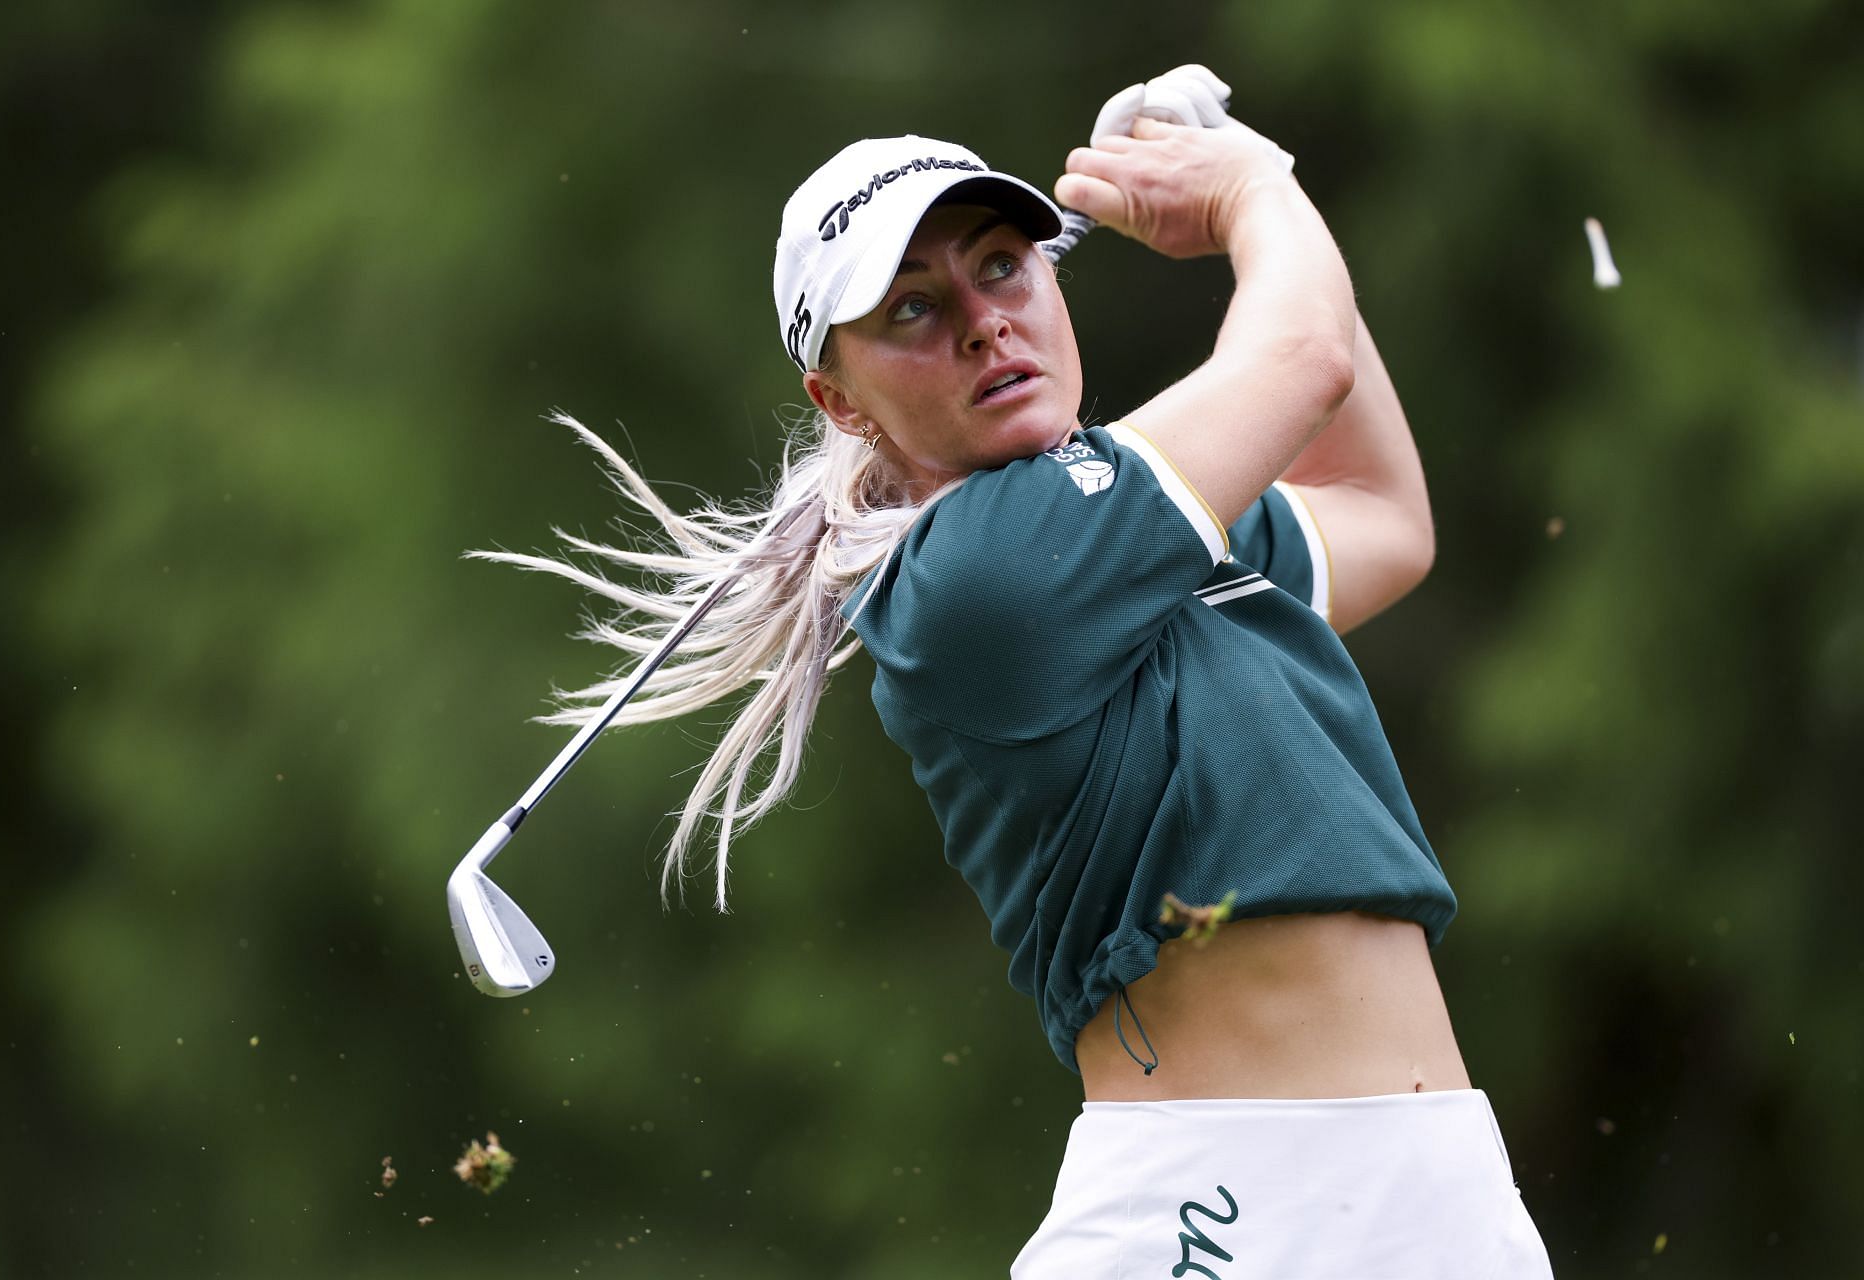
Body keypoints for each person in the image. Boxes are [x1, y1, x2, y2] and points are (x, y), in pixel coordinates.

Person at [493, 79, 1552, 1279]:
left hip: (1440, 1183)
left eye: (1002, 265)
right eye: (912, 309)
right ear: (840, 401)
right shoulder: (979, 578)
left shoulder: (1139, 528)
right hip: (1223, 1210)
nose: (983, 321)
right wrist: (1258, 188)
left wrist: (1250, 180)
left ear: (1055, 279)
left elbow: (1382, 516)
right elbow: (1299, 355)